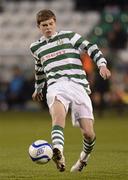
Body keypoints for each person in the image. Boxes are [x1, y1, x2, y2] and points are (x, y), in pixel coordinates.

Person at [30, 9, 111, 172]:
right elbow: (39, 69)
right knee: (58, 117)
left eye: (51, 24)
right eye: (44, 25)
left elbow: (90, 47)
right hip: (56, 85)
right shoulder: (36, 47)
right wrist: (38, 88)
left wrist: (102, 64)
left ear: (55, 23)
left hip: (78, 86)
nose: (48, 28)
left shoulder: (69, 36)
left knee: (88, 134)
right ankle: (58, 152)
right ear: (39, 27)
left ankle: (83, 159)